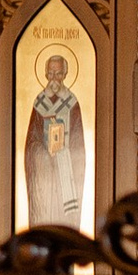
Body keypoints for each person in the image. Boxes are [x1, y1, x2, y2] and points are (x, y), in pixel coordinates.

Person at [23, 51, 87, 231]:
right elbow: (31, 141)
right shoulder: (39, 103)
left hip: (64, 172)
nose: (54, 79)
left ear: (65, 75)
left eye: (58, 74)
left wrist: (64, 152)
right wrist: (42, 154)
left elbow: (78, 141)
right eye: (51, 73)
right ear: (45, 74)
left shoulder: (72, 103)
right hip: (44, 171)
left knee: (62, 218)